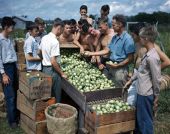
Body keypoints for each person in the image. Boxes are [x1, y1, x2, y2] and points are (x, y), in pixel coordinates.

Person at [125, 22, 170, 106]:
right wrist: (133, 72)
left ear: (140, 35)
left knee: (141, 102)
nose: (131, 37)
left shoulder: (153, 47)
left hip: (145, 79)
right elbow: (138, 63)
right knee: (131, 102)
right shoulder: (137, 44)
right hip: (138, 75)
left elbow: (167, 62)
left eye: (133, 35)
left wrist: (152, 71)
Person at [127, 25, 161, 134]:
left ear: (146, 38)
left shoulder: (152, 57)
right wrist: (131, 80)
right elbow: (140, 71)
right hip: (141, 91)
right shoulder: (147, 54)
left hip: (146, 93)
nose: (139, 40)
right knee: (140, 119)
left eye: (141, 38)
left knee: (145, 121)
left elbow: (156, 79)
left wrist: (156, 96)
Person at [84, 14, 135, 86]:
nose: (112, 27)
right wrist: (91, 53)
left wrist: (118, 65)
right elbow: (107, 50)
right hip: (111, 66)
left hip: (120, 69)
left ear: (120, 25)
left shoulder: (127, 39)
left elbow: (130, 58)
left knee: (120, 90)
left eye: (113, 25)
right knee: (111, 88)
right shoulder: (115, 37)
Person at [39, 18, 67, 102]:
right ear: (59, 28)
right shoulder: (55, 41)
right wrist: (62, 73)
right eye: (62, 30)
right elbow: (53, 61)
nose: (62, 32)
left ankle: (48, 112)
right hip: (52, 71)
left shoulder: (44, 37)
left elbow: (39, 51)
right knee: (56, 96)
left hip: (44, 69)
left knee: (47, 95)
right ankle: (55, 112)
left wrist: (44, 58)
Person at [0, 17, 19, 128]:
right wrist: (3, 74)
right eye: (12, 26)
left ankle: (15, 116)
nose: (13, 28)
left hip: (12, 66)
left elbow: (12, 55)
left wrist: (16, 68)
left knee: (15, 92)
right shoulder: (0, 39)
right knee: (10, 95)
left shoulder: (9, 38)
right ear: (6, 27)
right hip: (6, 69)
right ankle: (12, 121)